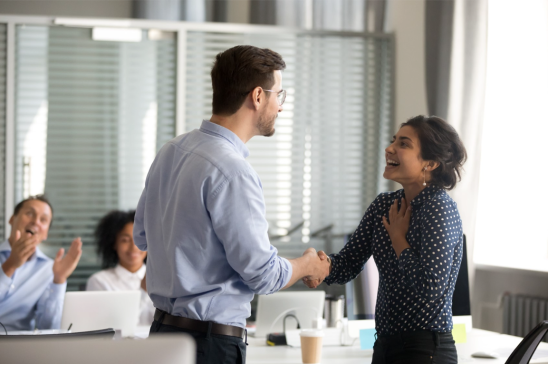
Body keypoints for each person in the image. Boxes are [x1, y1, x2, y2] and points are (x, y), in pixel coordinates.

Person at [134, 45, 330, 364]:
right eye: (279, 94)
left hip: (161, 336)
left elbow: (141, 237)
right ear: (257, 96)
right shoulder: (234, 172)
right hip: (209, 345)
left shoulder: (171, 150)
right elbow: (262, 275)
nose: (280, 106)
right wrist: (308, 264)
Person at [305, 115, 467, 364]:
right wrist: (318, 266)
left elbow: (431, 287)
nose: (389, 148)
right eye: (393, 141)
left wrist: (399, 240)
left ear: (430, 163)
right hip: (384, 347)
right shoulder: (384, 204)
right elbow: (347, 263)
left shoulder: (439, 208)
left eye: (403, 144)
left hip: (425, 350)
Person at [0, 195, 82, 331]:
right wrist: (11, 264)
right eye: (29, 214)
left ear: (46, 234)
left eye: (43, 220)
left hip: (18, 346)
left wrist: (59, 280)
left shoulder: (48, 269)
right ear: (12, 219)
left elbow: (50, 327)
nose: (35, 222)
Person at [86, 210, 154, 327]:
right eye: (125, 240)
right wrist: (143, 292)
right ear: (114, 243)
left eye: (139, 240)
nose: (134, 247)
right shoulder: (100, 281)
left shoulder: (162, 278)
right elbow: (111, 325)